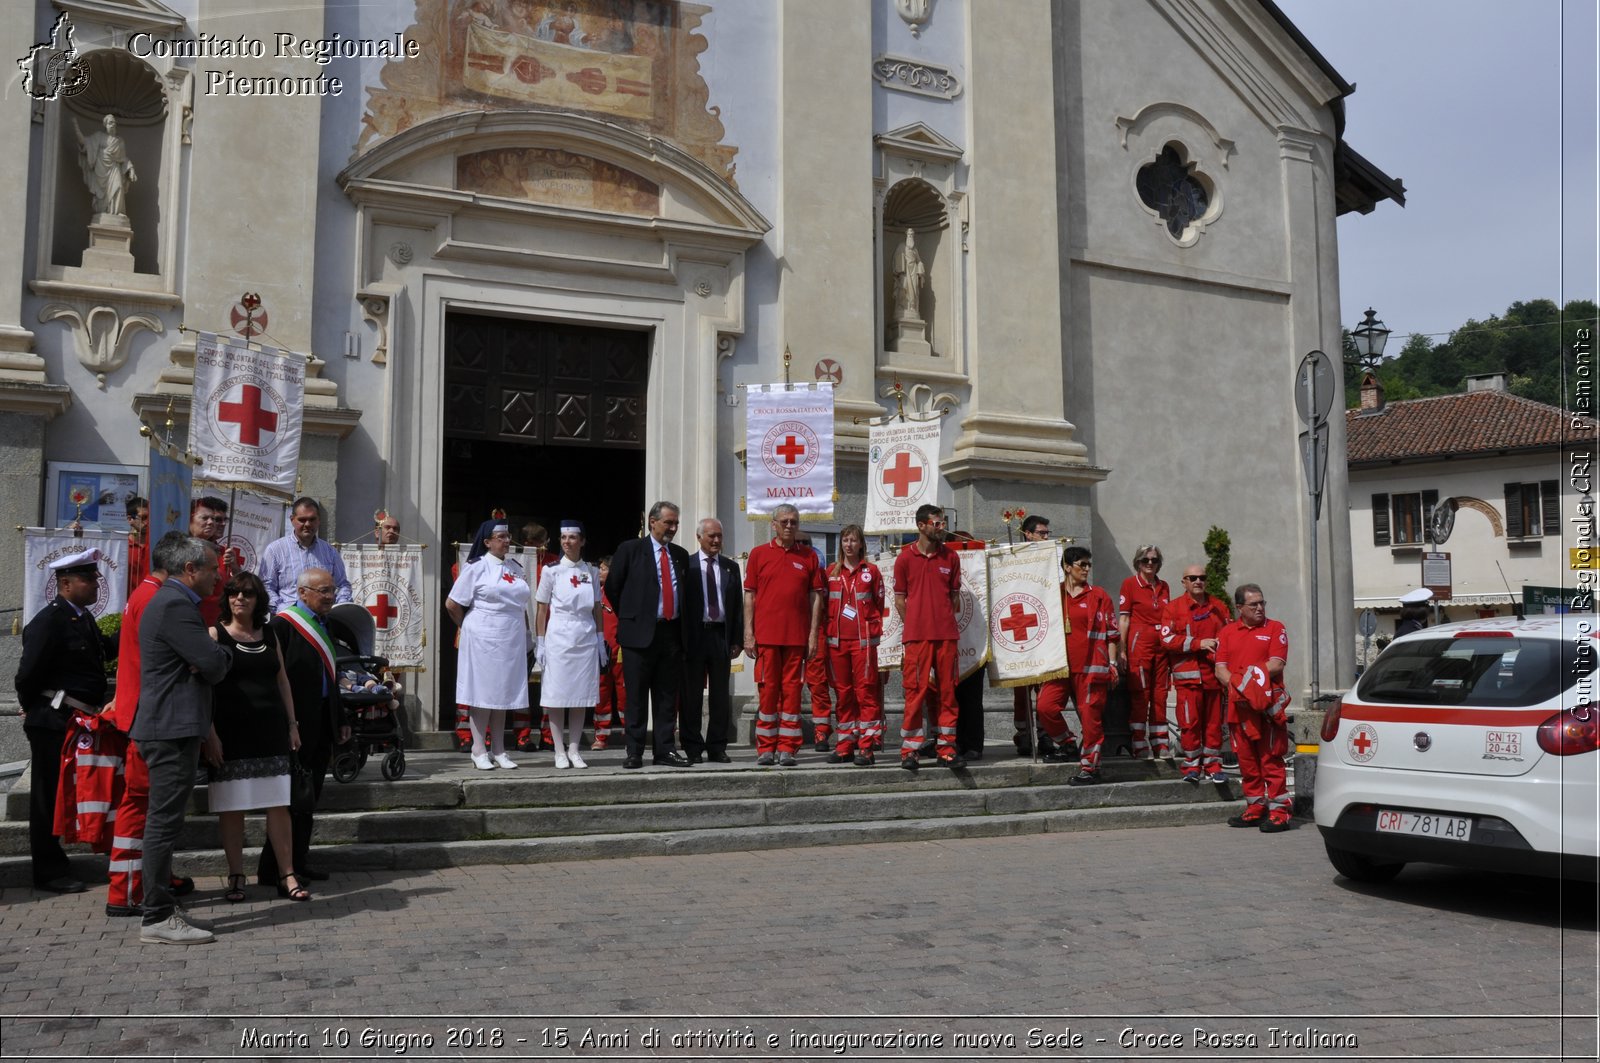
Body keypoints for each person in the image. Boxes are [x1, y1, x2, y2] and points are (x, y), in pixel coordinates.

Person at [131, 536, 232, 944]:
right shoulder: (174, 605)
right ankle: (156, 915)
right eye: (212, 569)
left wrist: (206, 658)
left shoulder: (173, 602)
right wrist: (215, 650)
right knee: (163, 824)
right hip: (170, 728)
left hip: (172, 725)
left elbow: (203, 665)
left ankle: (159, 909)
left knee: (165, 823)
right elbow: (214, 665)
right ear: (190, 569)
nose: (219, 577)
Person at [106, 531, 197, 917]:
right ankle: (127, 889)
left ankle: (154, 878)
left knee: (149, 806)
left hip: (141, 710)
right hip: (152, 715)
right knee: (143, 806)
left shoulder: (145, 595)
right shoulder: (157, 599)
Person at [14, 548, 115, 895]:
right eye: (88, 580)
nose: (95, 586)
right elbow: (27, 676)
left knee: (64, 794)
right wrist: (35, 709)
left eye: (95, 579)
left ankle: (58, 862)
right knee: (46, 797)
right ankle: (48, 870)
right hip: (53, 721)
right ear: (66, 584)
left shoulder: (81, 618)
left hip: (75, 720)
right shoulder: (49, 621)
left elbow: (105, 648)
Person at [206, 570, 304, 902]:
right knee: (231, 808)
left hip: (271, 731)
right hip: (231, 734)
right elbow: (205, 688)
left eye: (247, 593)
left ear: (257, 599)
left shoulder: (270, 633)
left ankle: (287, 874)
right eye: (233, 593)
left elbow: (283, 682)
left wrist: (292, 724)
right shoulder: (215, 634)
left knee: (278, 806)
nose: (240, 599)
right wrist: (211, 735)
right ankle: (236, 875)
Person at [259, 568, 355, 887]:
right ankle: (274, 869)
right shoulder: (282, 626)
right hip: (295, 726)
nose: (330, 597)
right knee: (289, 801)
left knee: (308, 798)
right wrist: (287, 724)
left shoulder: (327, 625)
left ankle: (299, 860)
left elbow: (333, 678)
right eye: (323, 591)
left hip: (321, 723)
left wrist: (339, 719)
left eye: (332, 590)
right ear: (303, 593)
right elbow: (274, 679)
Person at [604, 501, 695, 769]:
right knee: (636, 696)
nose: (673, 528)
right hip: (638, 634)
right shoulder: (630, 550)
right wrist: (633, 616)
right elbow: (613, 587)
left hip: (671, 633)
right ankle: (634, 751)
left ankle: (665, 749)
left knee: (667, 696)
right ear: (652, 522)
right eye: (668, 522)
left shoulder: (679, 554)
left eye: (676, 523)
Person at [743, 503, 824, 767]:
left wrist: (812, 635)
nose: (790, 526)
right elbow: (750, 595)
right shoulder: (758, 554)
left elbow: (815, 598)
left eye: (794, 522)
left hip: (796, 639)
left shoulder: (809, 557)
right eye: (785, 521)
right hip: (766, 637)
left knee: (792, 693)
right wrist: (748, 632)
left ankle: (788, 748)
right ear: (773, 524)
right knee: (768, 692)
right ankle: (765, 748)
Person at [446, 519, 531, 771]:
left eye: (508, 536)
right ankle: (478, 748)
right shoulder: (476, 567)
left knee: (503, 693)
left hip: (510, 638)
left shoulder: (515, 567)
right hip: (484, 636)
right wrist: (469, 627)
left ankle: (499, 749)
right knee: (482, 694)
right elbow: (452, 604)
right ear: (487, 542)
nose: (507, 541)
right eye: (501, 537)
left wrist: (527, 635)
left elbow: (521, 604)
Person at [1214, 583, 1292, 832]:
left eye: (1262, 603)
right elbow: (1220, 669)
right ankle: (1256, 807)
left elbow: (1276, 664)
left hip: (1267, 708)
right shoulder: (1227, 632)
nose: (1260, 608)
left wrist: (1245, 682)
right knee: (1246, 760)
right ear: (1239, 608)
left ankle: (1280, 811)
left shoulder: (1275, 628)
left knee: (1271, 758)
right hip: (1240, 708)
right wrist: (1242, 689)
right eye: (1253, 604)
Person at [893, 504, 963, 771]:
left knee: (947, 693)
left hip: (946, 636)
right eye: (936, 523)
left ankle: (946, 748)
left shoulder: (951, 558)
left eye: (943, 522)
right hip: (917, 638)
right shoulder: (904, 558)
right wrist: (916, 622)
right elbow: (900, 599)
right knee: (915, 693)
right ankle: (909, 752)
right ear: (921, 525)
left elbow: (954, 597)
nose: (941, 527)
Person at [1045, 546, 1121, 785]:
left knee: (1090, 720)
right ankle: (1067, 743)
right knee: (1045, 707)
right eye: (1082, 565)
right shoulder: (1054, 595)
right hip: (1059, 667)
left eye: (1089, 565)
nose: (1087, 569)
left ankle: (1090, 768)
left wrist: (1112, 663)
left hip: (1091, 668)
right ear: (1067, 567)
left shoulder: (1099, 595)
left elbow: (1112, 634)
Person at [534, 521, 604, 769]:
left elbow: (596, 607)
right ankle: (558, 749)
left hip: (584, 635)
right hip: (559, 634)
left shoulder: (592, 571)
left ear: (582, 541)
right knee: (557, 695)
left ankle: (574, 748)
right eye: (564, 538)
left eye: (573, 537)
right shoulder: (551, 571)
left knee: (579, 695)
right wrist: (540, 641)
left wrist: (600, 639)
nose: (567, 542)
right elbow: (542, 608)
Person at [1158, 565, 1232, 784]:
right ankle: (1191, 767)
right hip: (1187, 679)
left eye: (1202, 578)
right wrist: (1199, 644)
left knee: (1213, 724)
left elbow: (1229, 638)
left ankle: (1213, 765)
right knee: (1189, 724)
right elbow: (1166, 640)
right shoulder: (1173, 609)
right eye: (1193, 578)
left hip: (1213, 677)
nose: (1198, 581)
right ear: (1184, 582)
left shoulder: (1218, 607)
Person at [824, 524, 885, 766]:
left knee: (866, 694)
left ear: (861, 544)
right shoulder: (830, 572)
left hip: (863, 644)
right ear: (841, 544)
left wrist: (872, 630)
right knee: (843, 695)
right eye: (845, 540)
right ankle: (844, 746)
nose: (849, 545)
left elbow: (880, 605)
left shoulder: (871, 571)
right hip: (837, 643)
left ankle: (867, 747)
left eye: (853, 540)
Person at [683, 518, 742, 764]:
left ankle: (717, 745)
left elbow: (737, 605)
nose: (717, 540)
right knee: (691, 695)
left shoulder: (730, 567)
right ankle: (692, 746)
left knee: (719, 695)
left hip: (720, 635)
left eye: (719, 535)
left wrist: (737, 639)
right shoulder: (687, 565)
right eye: (711, 536)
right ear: (699, 537)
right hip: (695, 636)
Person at [1011, 515, 1065, 757]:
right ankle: (1023, 734)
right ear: (1027, 534)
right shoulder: (1013, 558)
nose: (1046, 537)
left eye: (1047, 533)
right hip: (1019, 625)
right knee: (1021, 688)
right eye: (1042, 533)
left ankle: (1044, 735)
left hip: (1044, 628)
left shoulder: (1052, 558)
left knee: (1044, 687)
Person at [1119, 544, 1172, 759]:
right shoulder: (1130, 584)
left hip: (1162, 644)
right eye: (1145, 560)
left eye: (1154, 560)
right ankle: (1138, 741)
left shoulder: (1164, 586)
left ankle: (1160, 742)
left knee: (1160, 694)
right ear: (1138, 563)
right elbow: (1124, 619)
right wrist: (1122, 650)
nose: (1150, 564)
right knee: (1141, 694)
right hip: (1140, 643)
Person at [259, 497, 352, 613]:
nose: (308, 524)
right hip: (288, 619)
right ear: (292, 520)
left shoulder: (330, 551)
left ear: (319, 520)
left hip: (322, 621)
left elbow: (342, 585)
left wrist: (340, 606)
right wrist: (284, 611)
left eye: (312, 519)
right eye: (302, 520)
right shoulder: (275, 550)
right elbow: (265, 587)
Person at [795, 530, 833, 750]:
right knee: (790, 684)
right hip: (792, 631)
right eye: (798, 542)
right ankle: (789, 731)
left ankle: (822, 731)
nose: (802, 545)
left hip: (817, 631)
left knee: (818, 684)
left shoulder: (823, 571)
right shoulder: (788, 568)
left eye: (806, 542)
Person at [188, 496, 239, 627]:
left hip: (217, 622)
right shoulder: (182, 549)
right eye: (206, 518)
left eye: (223, 520)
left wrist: (235, 568)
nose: (213, 523)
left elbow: (235, 587)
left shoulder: (225, 553)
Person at [593, 555, 625, 751]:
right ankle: (601, 736)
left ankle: (629, 732)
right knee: (601, 692)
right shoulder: (596, 593)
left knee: (625, 693)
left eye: (603, 569)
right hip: (602, 650)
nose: (599, 572)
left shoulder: (622, 592)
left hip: (621, 650)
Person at [75, 113, 136, 216]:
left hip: (114, 168)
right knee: (102, 195)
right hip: (101, 169)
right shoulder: (99, 136)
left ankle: (118, 212)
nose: (112, 125)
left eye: (113, 123)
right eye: (110, 123)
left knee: (118, 188)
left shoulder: (119, 141)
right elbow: (85, 143)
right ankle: (103, 211)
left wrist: (131, 169)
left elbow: (123, 158)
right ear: (105, 125)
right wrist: (76, 128)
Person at [893, 227, 925, 321]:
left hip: (913, 272)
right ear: (906, 235)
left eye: (912, 235)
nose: (910, 236)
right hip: (905, 272)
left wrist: (921, 269)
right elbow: (896, 259)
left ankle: (912, 308)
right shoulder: (901, 246)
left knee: (914, 291)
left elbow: (919, 261)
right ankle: (901, 308)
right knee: (903, 288)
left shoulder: (915, 250)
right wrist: (900, 267)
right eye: (909, 235)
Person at [125, 495, 150, 585]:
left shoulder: (156, 545)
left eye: (149, 517)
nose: (147, 522)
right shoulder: (123, 548)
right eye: (143, 518)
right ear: (130, 519)